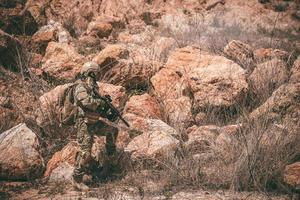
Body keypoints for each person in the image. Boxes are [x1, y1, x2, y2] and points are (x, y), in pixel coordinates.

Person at [72, 61, 118, 190]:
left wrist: (107, 109)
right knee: (85, 153)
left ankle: (111, 163)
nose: (97, 76)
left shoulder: (93, 87)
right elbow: (87, 102)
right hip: (84, 124)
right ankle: (77, 179)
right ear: (90, 72)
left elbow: (96, 107)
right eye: (96, 73)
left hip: (93, 121)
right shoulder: (80, 86)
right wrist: (100, 103)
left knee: (112, 130)